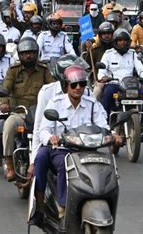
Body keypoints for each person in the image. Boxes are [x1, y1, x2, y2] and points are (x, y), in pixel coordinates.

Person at [33, 65, 110, 224]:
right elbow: (43, 129)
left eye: (81, 84)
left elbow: (104, 126)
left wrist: (113, 136)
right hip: (61, 150)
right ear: (65, 86)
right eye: (73, 85)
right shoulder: (55, 103)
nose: (78, 88)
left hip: (88, 151)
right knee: (48, 160)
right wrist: (51, 138)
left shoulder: (92, 104)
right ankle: (53, 206)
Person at [0, 38, 52, 181]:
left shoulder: (44, 70)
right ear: (20, 55)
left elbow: (53, 88)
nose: (28, 56)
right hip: (21, 113)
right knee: (9, 125)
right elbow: (6, 88)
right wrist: (4, 103)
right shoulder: (13, 70)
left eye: (31, 53)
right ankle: (9, 163)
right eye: (25, 53)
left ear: (37, 53)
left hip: (41, 114)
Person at [98, 28, 143, 124]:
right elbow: (102, 70)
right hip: (114, 84)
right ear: (115, 42)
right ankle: (104, 121)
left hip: (130, 84)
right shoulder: (108, 54)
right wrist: (103, 77)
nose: (123, 42)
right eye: (120, 40)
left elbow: (140, 68)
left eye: (125, 40)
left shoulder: (132, 53)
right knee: (107, 93)